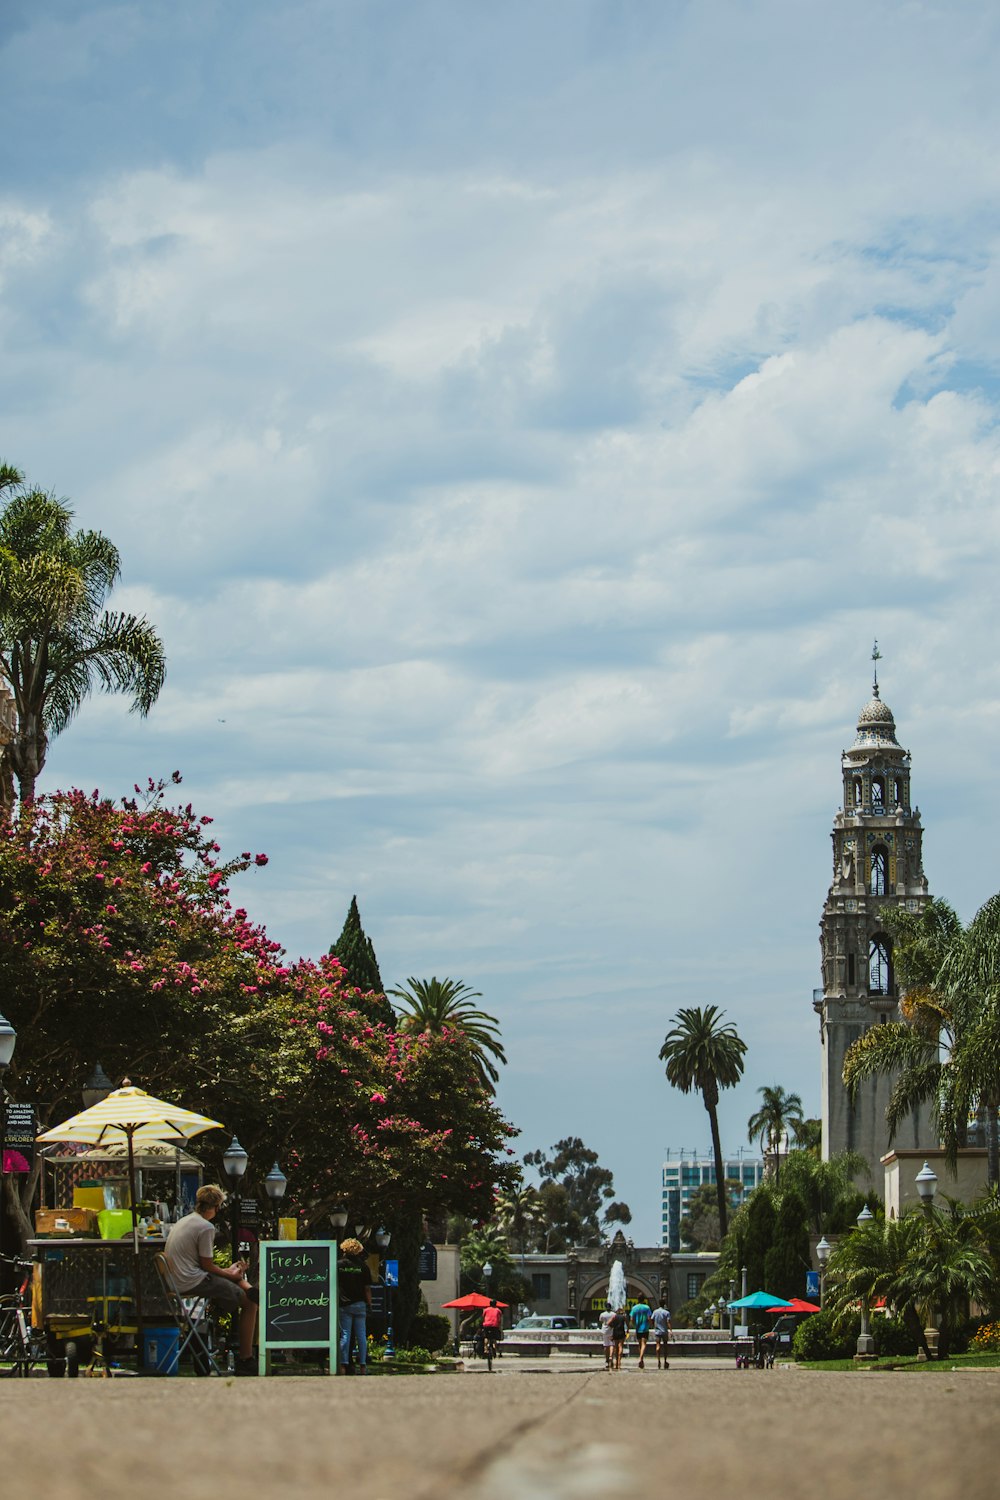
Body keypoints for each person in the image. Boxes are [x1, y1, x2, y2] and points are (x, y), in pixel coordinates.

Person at [164, 1184, 259, 1375]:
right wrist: (229, 1274)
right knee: (249, 1303)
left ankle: (245, 1285)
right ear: (216, 1207)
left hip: (178, 1279)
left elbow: (205, 1266)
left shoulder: (185, 1220)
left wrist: (228, 1273)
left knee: (233, 1280)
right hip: (191, 1280)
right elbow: (207, 1266)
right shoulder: (206, 1227)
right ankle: (246, 1358)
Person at [337, 1237, 373, 1375]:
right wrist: (370, 1304)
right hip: (360, 1305)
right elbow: (367, 1289)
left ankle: (343, 1365)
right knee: (361, 1335)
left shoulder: (339, 1265)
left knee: (345, 1334)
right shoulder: (363, 1267)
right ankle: (363, 1365)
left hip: (344, 1304)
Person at [630, 1296, 652, 1369]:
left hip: (638, 1328)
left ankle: (641, 1360)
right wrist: (650, 1324)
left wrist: (634, 1325)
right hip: (645, 1328)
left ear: (637, 1299)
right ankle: (641, 1359)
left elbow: (631, 1318)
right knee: (643, 1344)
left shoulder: (634, 1308)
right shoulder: (647, 1308)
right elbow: (649, 1318)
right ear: (643, 1300)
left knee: (640, 1344)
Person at [650, 1298, 671, 1369]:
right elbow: (668, 1322)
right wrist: (670, 1330)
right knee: (665, 1347)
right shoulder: (666, 1312)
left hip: (657, 1331)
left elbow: (652, 1319)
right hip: (664, 1331)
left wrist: (654, 1326)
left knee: (658, 1345)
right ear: (664, 1304)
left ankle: (658, 1360)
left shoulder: (655, 1312)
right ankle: (665, 1361)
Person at [610, 1305, 627, 1371]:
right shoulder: (624, 1317)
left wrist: (612, 1326)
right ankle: (619, 1362)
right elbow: (628, 1324)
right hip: (621, 1332)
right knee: (621, 1346)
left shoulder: (614, 1316)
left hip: (615, 1332)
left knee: (615, 1347)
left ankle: (615, 1362)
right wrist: (627, 1330)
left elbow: (608, 1323)